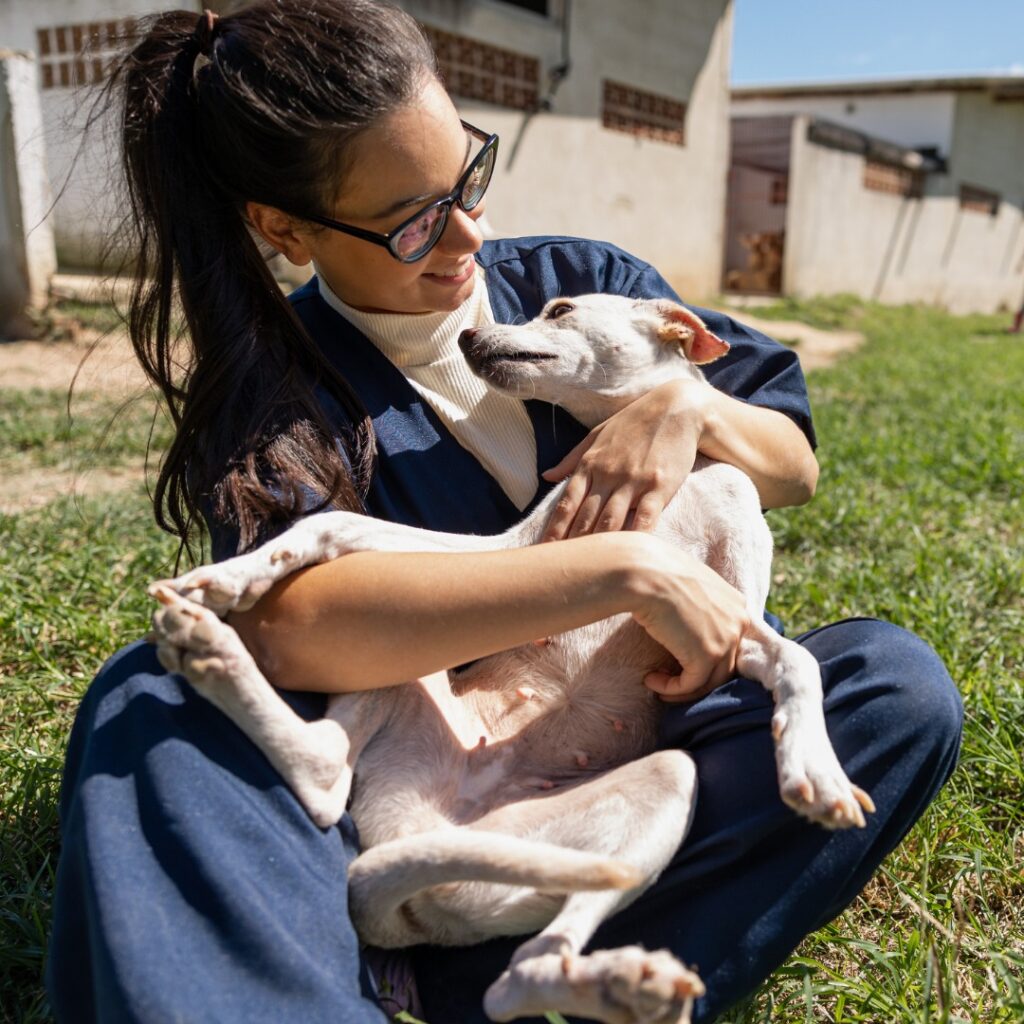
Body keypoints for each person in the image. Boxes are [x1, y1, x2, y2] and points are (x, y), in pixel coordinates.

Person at [45, 2, 963, 1022]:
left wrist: (683, 403)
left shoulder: (580, 284)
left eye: (467, 180)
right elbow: (294, 625)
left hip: (628, 754)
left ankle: (498, 989)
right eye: (412, 220)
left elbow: (791, 461)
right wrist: (625, 570)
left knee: (891, 689)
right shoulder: (278, 384)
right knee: (152, 702)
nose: (469, 235)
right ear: (282, 227)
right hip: (417, 783)